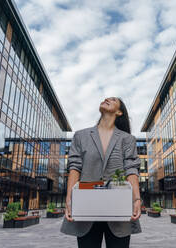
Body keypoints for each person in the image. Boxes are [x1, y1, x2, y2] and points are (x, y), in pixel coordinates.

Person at [60, 97, 142, 248]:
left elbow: (131, 168)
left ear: (119, 112)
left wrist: (136, 199)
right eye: (106, 98)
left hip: (119, 208)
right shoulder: (81, 135)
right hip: (86, 207)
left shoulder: (127, 139)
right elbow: (75, 167)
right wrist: (70, 198)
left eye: (113, 99)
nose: (107, 99)